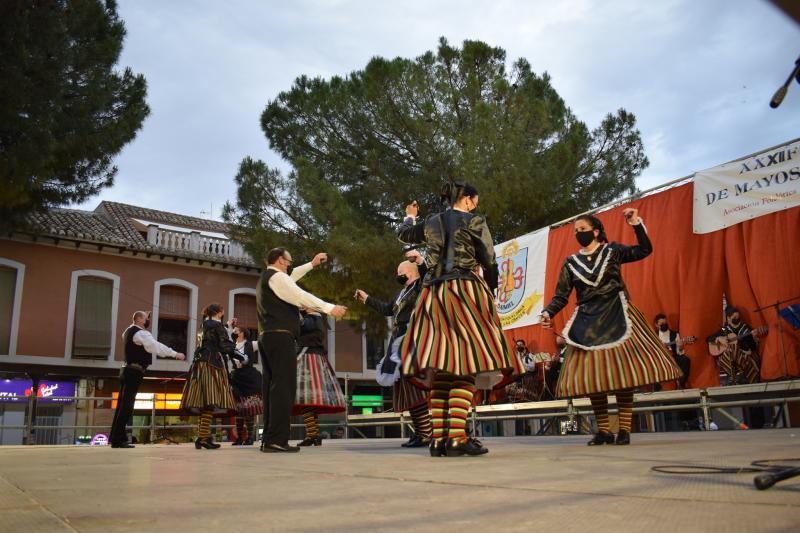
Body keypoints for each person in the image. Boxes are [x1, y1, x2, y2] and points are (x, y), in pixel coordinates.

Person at [398, 181, 524, 457]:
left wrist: (409, 214)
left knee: (443, 366)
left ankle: (438, 439)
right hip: (464, 289)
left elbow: (405, 234)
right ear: (467, 199)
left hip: (433, 293)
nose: (475, 204)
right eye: (474, 200)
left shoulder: (431, 222)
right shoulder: (474, 219)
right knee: (468, 361)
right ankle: (457, 437)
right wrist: (490, 289)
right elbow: (489, 259)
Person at [540, 209, 681, 446]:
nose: (578, 234)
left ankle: (624, 429)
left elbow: (644, 250)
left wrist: (635, 224)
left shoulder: (612, 251)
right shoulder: (571, 263)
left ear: (596, 231)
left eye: (582, 230)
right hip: (587, 321)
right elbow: (561, 296)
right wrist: (547, 311)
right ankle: (604, 430)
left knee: (622, 375)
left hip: (618, 314)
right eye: (575, 231)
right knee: (595, 379)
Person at [257, 249, 347, 453]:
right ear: (280, 260)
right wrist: (328, 307)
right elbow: (298, 295)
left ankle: (270, 439)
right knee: (283, 388)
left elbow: (291, 278)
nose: (290, 264)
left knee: (271, 388)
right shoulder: (278, 278)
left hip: (267, 337)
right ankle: (277, 440)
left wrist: (312, 264)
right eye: (289, 260)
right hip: (281, 337)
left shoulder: (268, 277)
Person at [355, 252, 433, 448]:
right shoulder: (401, 293)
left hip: (412, 337)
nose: (397, 274)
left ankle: (427, 434)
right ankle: (421, 432)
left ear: (411, 272)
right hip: (398, 339)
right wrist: (367, 299)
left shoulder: (421, 286)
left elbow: (427, 277)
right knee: (405, 387)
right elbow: (387, 309)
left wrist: (420, 260)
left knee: (413, 385)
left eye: (400, 271)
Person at [110, 311, 185, 448]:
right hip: (134, 371)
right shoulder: (141, 333)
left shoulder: (128, 331)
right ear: (139, 319)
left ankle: (115, 437)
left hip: (126, 370)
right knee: (127, 405)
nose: (148, 320)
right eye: (146, 318)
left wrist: (145, 314)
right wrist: (175, 354)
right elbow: (156, 346)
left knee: (122, 404)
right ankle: (118, 440)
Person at [181, 303, 238, 450]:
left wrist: (227, 326)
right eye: (222, 312)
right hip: (212, 364)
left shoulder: (204, 324)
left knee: (205, 402)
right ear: (219, 312)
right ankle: (203, 438)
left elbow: (213, 336)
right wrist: (238, 352)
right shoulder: (216, 326)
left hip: (199, 364)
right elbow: (225, 345)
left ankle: (203, 437)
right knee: (210, 401)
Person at [293, 308, 346, 446]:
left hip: (308, 360)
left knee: (306, 399)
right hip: (312, 359)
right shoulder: (314, 319)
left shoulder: (313, 319)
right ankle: (313, 435)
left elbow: (299, 328)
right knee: (308, 401)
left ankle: (313, 435)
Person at [707, 306, 764, 385]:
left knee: (732, 348)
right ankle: (734, 376)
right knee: (729, 351)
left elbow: (752, 347)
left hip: (744, 356)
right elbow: (709, 338)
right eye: (734, 317)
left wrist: (751, 337)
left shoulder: (746, 328)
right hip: (729, 359)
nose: (737, 319)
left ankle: (733, 377)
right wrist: (719, 338)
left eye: (738, 317)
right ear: (728, 318)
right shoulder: (724, 329)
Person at [229, 325, 262, 445]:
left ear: (242, 333)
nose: (234, 333)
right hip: (237, 377)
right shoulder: (232, 345)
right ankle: (239, 438)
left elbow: (264, 342)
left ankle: (250, 437)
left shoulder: (250, 344)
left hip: (248, 377)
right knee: (238, 408)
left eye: (236, 331)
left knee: (249, 408)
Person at [654, 313, 692, 389]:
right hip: (660, 358)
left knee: (686, 360)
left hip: (673, 356)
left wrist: (680, 346)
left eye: (665, 323)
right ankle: (657, 387)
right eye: (661, 323)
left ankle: (681, 383)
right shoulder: (654, 335)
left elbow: (679, 352)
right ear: (656, 325)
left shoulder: (674, 334)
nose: (664, 324)